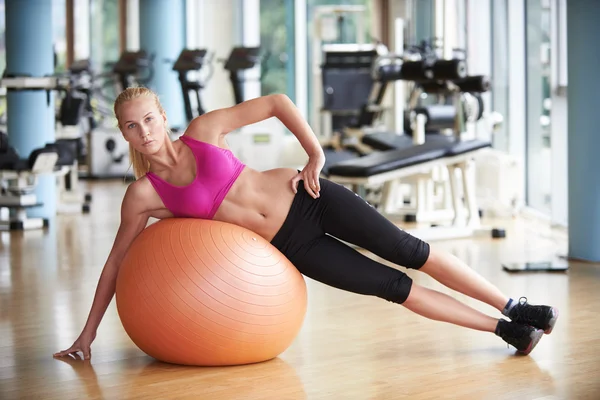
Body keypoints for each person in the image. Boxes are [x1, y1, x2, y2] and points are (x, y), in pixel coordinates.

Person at [54, 87, 558, 361]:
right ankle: (508, 331)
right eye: (130, 125)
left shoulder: (205, 131)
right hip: (295, 247)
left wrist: (314, 154)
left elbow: (277, 102)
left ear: (162, 116)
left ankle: (517, 304)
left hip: (313, 199)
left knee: (411, 250)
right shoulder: (144, 195)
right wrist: (88, 333)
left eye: (149, 119)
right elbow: (118, 261)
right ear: (122, 133)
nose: (143, 131)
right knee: (395, 287)